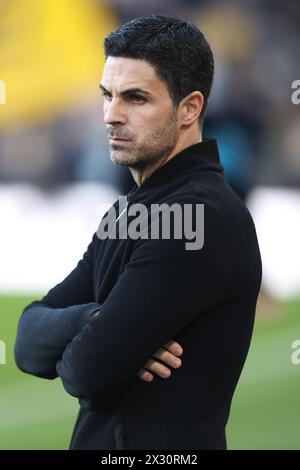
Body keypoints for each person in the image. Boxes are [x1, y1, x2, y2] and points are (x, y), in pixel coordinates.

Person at [14, 14, 262, 450]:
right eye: (107, 96)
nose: (111, 115)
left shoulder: (196, 217)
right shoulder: (131, 210)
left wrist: (96, 339)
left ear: (190, 108)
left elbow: (85, 371)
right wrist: (93, 319)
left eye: (135, 98)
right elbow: (26, 343)